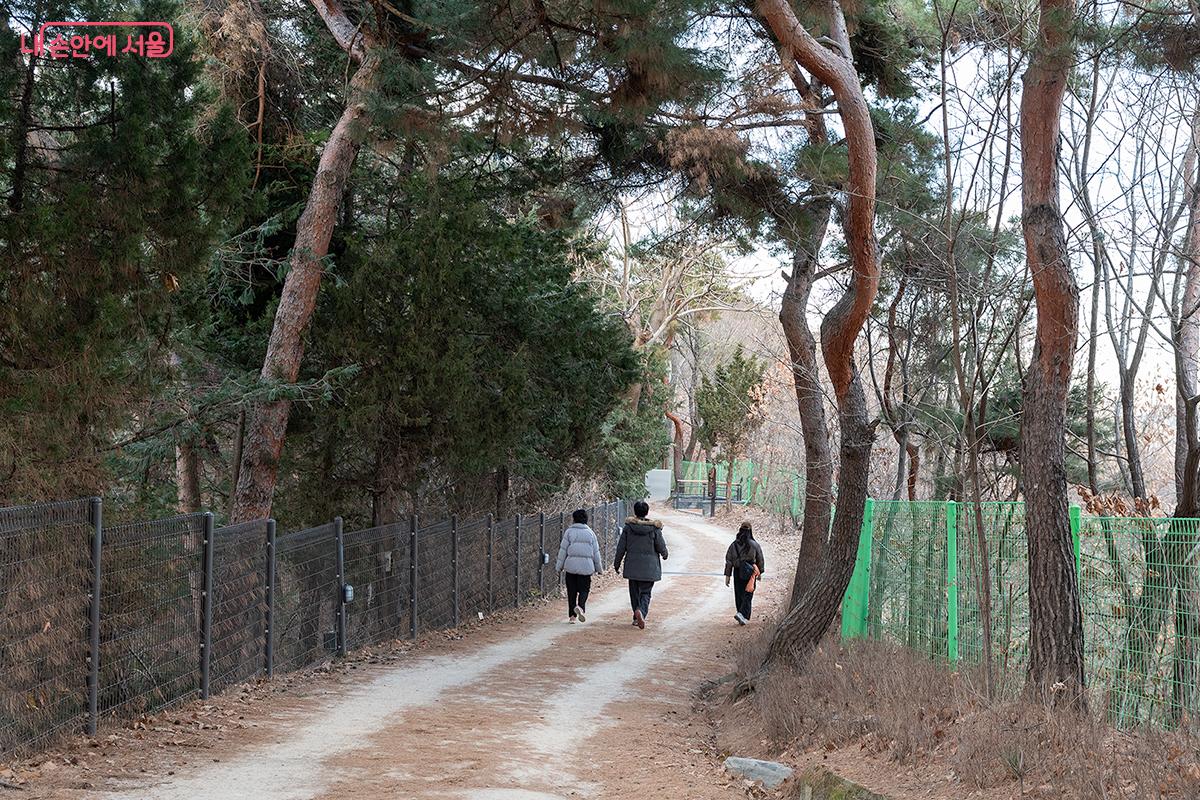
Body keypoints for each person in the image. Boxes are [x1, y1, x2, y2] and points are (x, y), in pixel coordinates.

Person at [613, 500, 668, 629]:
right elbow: (661, 546)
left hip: (632, 566)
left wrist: (617, 563)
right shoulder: (654, 529)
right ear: (647, 512)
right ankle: (641, 612)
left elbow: (621, 548)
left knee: (634, 593)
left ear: (635, 512)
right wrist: (665, 554)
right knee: (646, 593)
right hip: (649, 567)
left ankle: (636, 615)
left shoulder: (628, 528)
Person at [555, 508, 603, 623]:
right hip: (586, 568)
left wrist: (559, 566)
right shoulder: (591, 533)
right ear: (586, 519)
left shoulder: (569, 532)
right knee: (584, 590)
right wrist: (599, 568)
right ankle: (580, 607)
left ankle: (572, 617)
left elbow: (563, 551)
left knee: (571, 591)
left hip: (571, 567)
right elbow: (596, 553)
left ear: (574, 519)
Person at [725, 521, 765, 625]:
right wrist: (759, 573)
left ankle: (740, 613)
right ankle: (743, 615)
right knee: (748, 594)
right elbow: (760, 559)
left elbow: (729, 560)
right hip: (750, 572)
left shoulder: (733, 545)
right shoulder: (754, 544)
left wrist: (728, 576)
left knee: (739, 594)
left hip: (738, 572)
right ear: (750, 531)